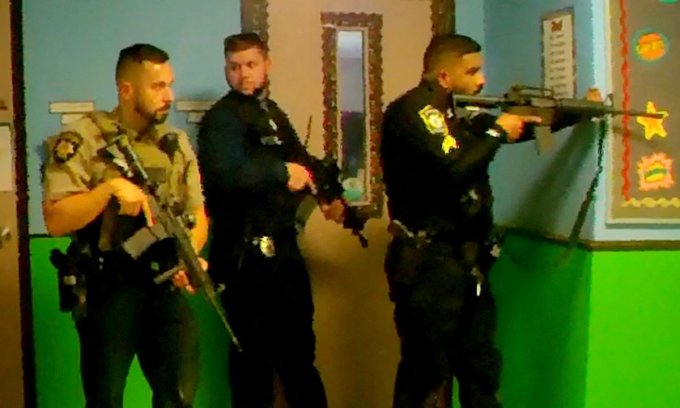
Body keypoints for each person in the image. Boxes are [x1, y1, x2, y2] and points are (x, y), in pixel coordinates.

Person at [380, 33, 601, 407]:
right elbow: (454, 169)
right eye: (472, 72)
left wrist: (579, 111)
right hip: (429, 264)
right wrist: (499, 131)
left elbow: (525, 129)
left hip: (469, 264)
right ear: (444, 76)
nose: (482, 80)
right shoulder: (416, 111)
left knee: (480, 367)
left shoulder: (459, 114)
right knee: (424, 372)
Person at [42, 43, 208, 408]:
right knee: (106, 400)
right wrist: (108, 190)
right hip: (108, 288)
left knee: (179, 397)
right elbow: (55, 219)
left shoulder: (174, 144)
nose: (169, 96)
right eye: (158, 86)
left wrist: (190, 254)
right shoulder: (83, 139)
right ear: (126, 90)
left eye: (170, 85)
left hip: (164, 284)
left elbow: (197, 214)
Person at [196, 32, 346, 408]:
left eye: (251, 65)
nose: (243, 74)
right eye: (234, 67)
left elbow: (301, 161)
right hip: (245, 259)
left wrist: (328, 195)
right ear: (226, 69)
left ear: (267, 65)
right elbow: (225, 174)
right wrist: (281, 173)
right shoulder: (221, 120)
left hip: (284, 254)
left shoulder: (272, 113)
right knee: (252, 368)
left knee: (300, 359)